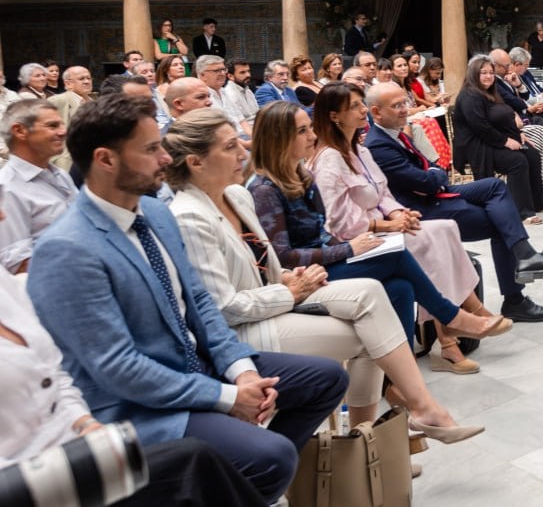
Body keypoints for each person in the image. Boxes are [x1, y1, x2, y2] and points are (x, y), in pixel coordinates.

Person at [25, 94, 349, 504]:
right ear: (106, 160)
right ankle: (235, 482)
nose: (166, 157)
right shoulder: (68, 247)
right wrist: (228, 398)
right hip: (139, 404)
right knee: (271, 456)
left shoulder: (154, 213)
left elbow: (199, 305)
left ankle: (227, 485)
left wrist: (241, 372)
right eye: (151, 149)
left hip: (199, 365)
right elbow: (117, 368)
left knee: (326, 379)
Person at [165, 109, 483, 442]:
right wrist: (289, 291)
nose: (242, 152)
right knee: (372, 334)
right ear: (195, 162)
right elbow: (222, 309)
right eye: (229, 147)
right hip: (240, 332)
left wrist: (289, 277)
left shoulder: (236, 195)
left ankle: (394, 422)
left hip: (276, 296)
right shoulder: (190, 217)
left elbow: (267, 261)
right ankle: (388, 428)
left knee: (376, 294)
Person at [247, 101, 509, 356]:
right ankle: (452, 316)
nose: (312, 136)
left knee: (402, 287)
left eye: (310, 128)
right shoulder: (265, 189)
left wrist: (392, 217)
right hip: (305, 275)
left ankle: (396, 383)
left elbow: (372, 198)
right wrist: (350, 247)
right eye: (302, 131)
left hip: (332, 253)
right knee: (397, 254)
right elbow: (282, 256)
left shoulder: (302, 174)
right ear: (278, 138)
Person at [0, 265, 268, 507]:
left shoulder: (5, 284)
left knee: (199, 463)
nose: (3, 215)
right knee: (200, 461)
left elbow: (56, 375)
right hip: (29, 486)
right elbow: (118, 364)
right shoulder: (66, 245)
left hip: (81, 453)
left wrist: (84, 424)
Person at [309, 83, 507, 373]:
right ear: (335, 116)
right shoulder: (329, 160)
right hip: (357, 239)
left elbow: (384, 192)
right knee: (426, 243)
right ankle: (452, 333)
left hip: (383, 227)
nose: (364, 110)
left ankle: (459, 322)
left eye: (362, 103)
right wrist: (385, 224)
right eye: (355, 106)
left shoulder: (360, 151)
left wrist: (400, 212)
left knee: (445, 228)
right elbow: (337, 221)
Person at [365, 83, 543, 323]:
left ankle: (525, 257)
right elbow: (427, 179)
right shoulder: (379, 144)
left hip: (434, 193)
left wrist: (436, 173)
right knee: (503, 221)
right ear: (376, 112)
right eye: (397, 105)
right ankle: (516, 295)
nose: (404, 109)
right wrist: (436, 174)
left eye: (405, 103)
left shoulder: (394, 134)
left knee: (495, 187)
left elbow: (432, 168)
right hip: (421, 209)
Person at [452, 55, 543, 225]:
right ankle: (521, 212)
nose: (488, 76)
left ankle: (537, 202)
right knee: (517, 161)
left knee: (532, 154)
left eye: (491, 72)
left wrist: (518, 135)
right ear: (474, 74)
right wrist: (506, 141)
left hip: (491, 138)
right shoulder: (470, 96)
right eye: (483, 73)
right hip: (476, 145)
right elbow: (480, 126)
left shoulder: (489, 92)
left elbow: (499, 119)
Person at [0, 101, 77, 273]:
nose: (63, 132)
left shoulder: (60, 175)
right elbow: (18, 264)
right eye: (52, 126)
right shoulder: (7, 189)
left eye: (62, 124)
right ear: (20, 131)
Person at [46, 65, 93, 170]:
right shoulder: (57, 101)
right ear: (68, 84)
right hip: (67, 161)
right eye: (81, 79)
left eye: (89, 78)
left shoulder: (94, 103)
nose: (86, 81)